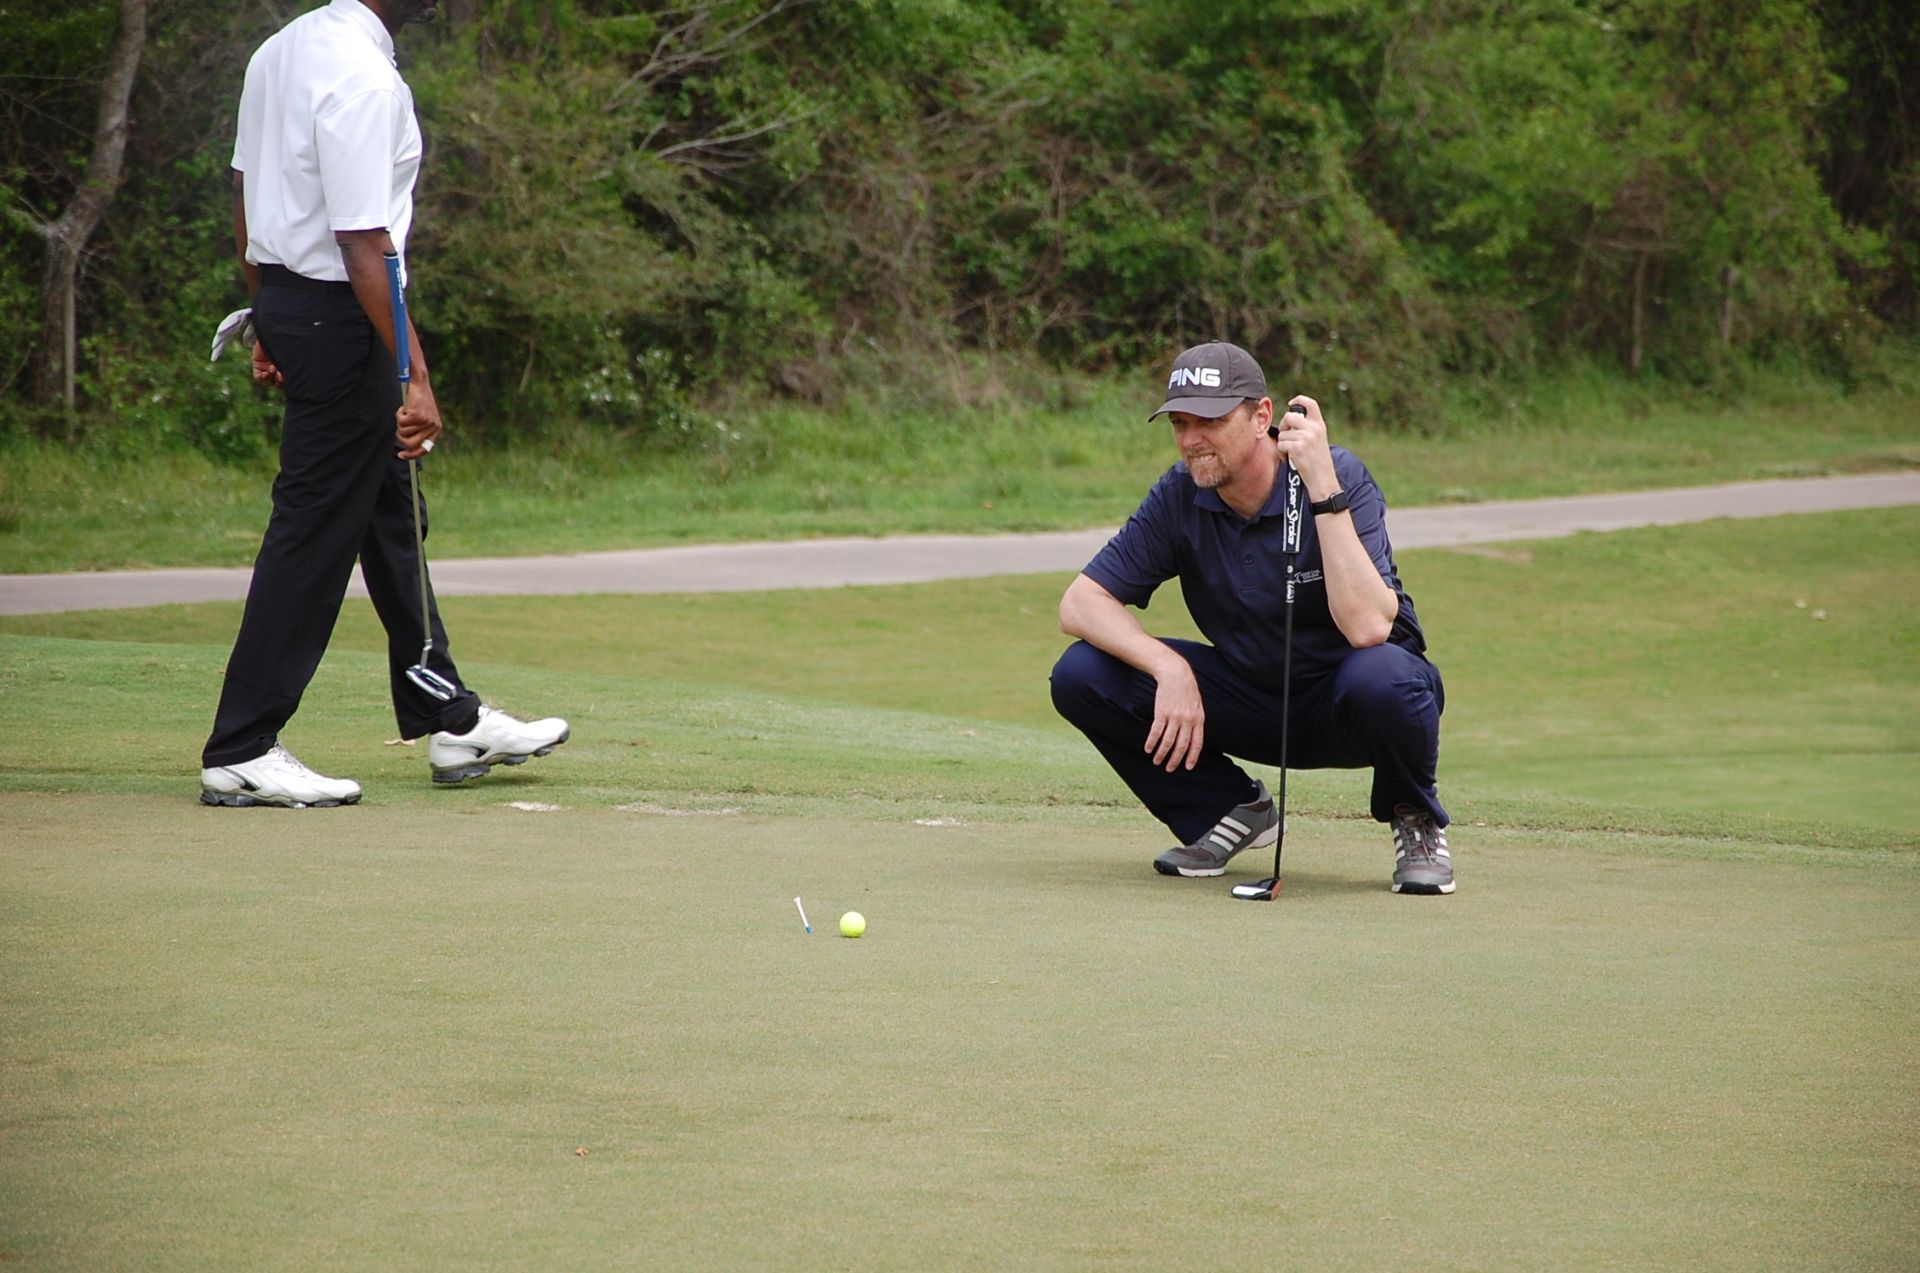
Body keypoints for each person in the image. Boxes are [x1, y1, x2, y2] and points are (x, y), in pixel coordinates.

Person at [199, 0, 567, 808]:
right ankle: (242, 745)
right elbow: (364, 243)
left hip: (299, 304)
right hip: (342, 315)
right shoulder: (365, 79)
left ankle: (450, 714)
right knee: (314, 527)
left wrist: (268, 316)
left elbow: (246, 197)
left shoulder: (281, 49)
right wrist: (415, 374)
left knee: (390, 511)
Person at [1049, 341, 1452, 894]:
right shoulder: (1179, 495)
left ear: (1262, 416)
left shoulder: (1336, 476)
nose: (1192, 440)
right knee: (1082, 674)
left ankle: (1414, 816)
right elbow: (1080, 603)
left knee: (1382, 675)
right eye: (1180, 423)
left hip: (1354, 704)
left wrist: (1321, 489)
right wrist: (1170, 669)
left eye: (1210, 420)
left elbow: (1368, 629)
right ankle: (1228, 810)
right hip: (1253, 699)